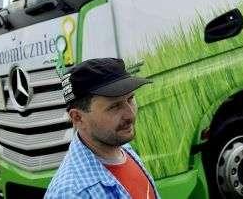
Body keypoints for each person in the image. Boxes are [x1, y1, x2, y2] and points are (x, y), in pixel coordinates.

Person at [45, 58, 159, 199]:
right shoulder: (73, 193)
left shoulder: (122, 148)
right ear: (78, 118)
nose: (130, 115)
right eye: (114, 106)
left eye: (130, 99)